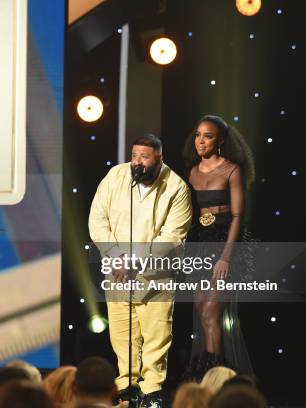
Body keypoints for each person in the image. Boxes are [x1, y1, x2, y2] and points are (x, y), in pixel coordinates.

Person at [89, 134, 192, 408]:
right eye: (134, 156)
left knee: (157, 334)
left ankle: (152, 390)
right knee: (122, 335)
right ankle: (126, 387)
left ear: (159, 158)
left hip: (156, 276)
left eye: (144, 157)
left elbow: (172, 237)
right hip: (118, 272)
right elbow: (97, 218)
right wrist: (115, 254)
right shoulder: (116, 176)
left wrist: (134, 260)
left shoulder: (176, 187)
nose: (137, 162)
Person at [182, 115, 255, 380]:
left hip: (225, 242)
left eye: (208, 136)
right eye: (198, 135)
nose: (200, 141)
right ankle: (212, 374)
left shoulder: (232, 170)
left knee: (212, 311)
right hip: (199, 241)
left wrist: (225, 257)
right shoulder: (191, 171)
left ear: (221, 140)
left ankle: (216, 377)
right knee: (202, 311)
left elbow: (238, 216)